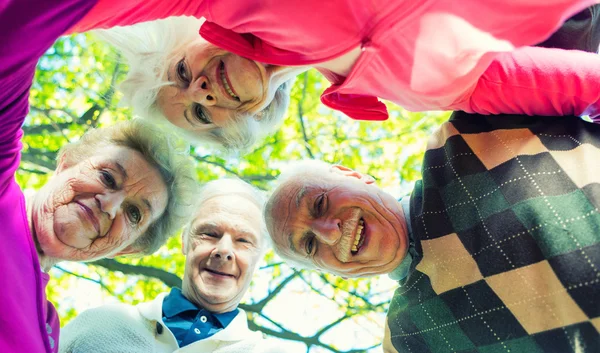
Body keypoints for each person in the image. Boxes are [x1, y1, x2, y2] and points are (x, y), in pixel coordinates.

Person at [264, 112, 600, 352]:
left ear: (352, 175)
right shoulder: (405, 342)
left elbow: (571, 25)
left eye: (320, 203)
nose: (328, 232)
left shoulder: (466, 132)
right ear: (331, 272)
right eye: (309, 245)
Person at [62, 1, 600, 149]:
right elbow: (577, 83)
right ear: (244, 118)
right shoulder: (405, 93)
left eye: (182, 71)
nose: (199, 89)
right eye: (199, 112)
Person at [0, 1, 197, 352]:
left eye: (135, 213)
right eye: (107, 177)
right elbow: (13, 34)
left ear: (130, 247)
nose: (110, 205)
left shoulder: (48, 327)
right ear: (66, 161)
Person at [59, 178, 282, 353]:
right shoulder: (100, 324)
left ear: (259, 256)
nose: (224, 251)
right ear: (185, 240)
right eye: (210, 233)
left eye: (243, 241)